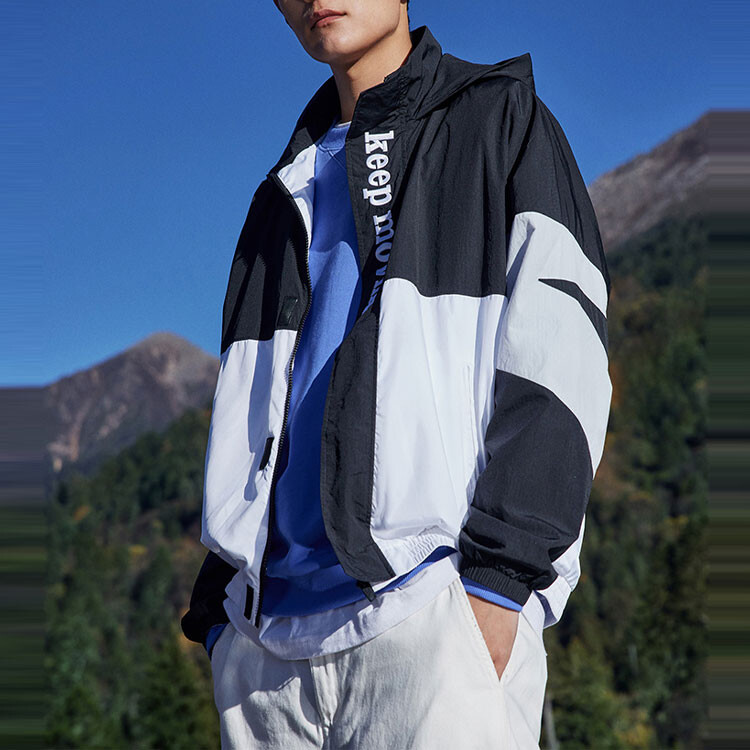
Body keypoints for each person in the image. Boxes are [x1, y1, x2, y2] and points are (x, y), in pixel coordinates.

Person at [181, 1, 612, 748]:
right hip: (265, 655)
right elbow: (250, 406)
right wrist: (220, 613)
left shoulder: (498, 121)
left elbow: (560, 360)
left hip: (430, 621)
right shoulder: (279, 193)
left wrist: (496, 587)